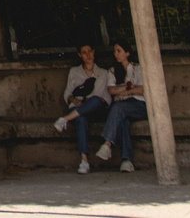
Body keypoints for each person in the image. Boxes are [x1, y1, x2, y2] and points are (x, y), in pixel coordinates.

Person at [52, 43, 115, 174]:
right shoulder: (74, 72)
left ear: (94, 52)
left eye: (90, 51)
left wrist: (93, 101)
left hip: (96, 109)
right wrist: (74, 100)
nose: (88, 55)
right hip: (78, 107)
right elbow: (67, 93)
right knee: (81, 119)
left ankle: (64, 119)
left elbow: (107, 97)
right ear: (80, 55)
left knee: (95, 100)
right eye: (84, 52)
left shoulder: (103, 73)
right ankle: (84, 160)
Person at [98, 41, 147, 175]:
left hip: (139, 105)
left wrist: (123, 92)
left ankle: (107, 144)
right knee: (123, 122)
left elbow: (141, 89)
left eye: (119, 51)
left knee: (119, 108)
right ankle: (127, 161)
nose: (116, 54)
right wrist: (129, 87)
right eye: (114, 51)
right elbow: (111, 90)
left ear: (127, 53)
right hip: (122, 108)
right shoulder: (112, 71)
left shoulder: (137, 68)